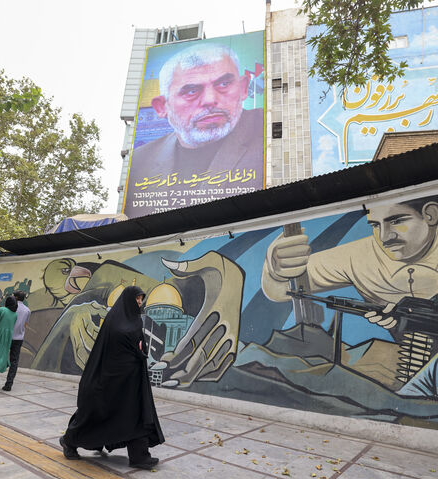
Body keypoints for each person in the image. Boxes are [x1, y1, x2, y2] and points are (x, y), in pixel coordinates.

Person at [261, 196, 438, 330]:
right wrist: (275, 269)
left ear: (430, 215)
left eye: (397, 221)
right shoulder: (358, 257)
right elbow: (281, 289)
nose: (384, 237)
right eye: (375, 225)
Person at [126, 43, 264, 199]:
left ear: (243, 89)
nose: (210, 100)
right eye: (191, 91)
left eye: (224, 84)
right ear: (162, 107)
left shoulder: (268, 132)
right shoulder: (140, 161)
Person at [59, 285, 164, 469]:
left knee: (136, 414)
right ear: (127, 299)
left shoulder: (135, 321)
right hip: (111, 382)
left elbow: (139, 347)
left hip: (132, 381)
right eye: (137, 299)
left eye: (141, 299)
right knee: (98, 416)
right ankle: (69, 440)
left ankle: (139, 456)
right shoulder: (115, 322)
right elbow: (114, 352)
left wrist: (139, 354)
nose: (140, 302)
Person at [2, 290, 30, 391]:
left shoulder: (9, 308)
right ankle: (9, 384)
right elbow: (25, 325)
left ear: (16, 298)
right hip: (18, 339)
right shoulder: (27, 310)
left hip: (7, 336)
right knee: (14, 361)